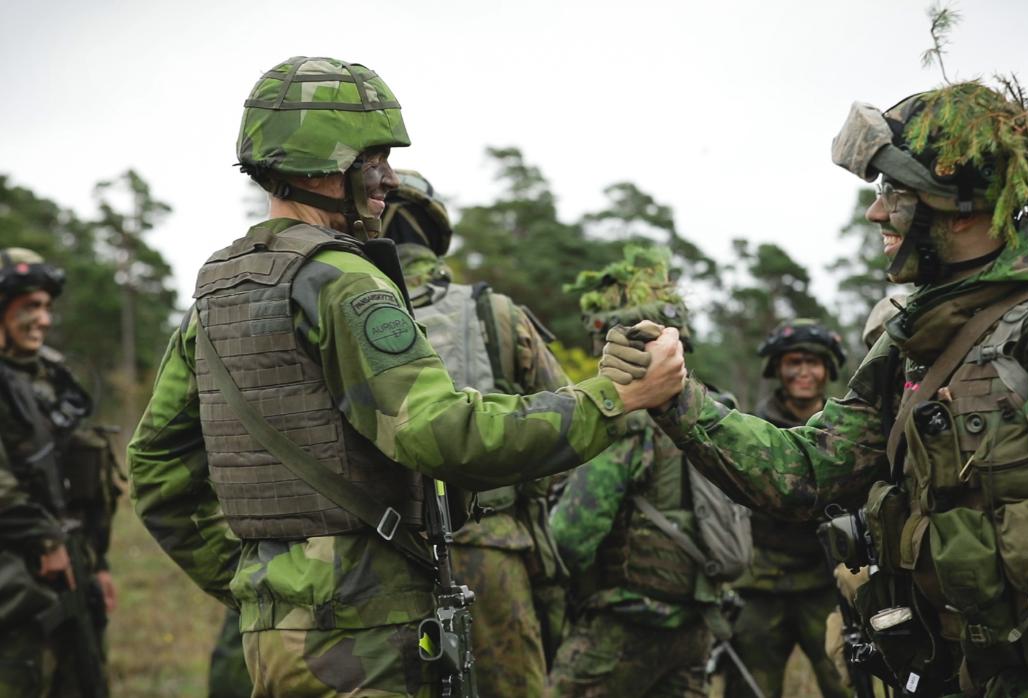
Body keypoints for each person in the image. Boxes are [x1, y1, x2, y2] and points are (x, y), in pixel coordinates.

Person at [607, 81, 1028, 696]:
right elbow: (806, 470)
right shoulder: (916, 342)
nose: (876, 211)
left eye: (895, 191)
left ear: (962, 206)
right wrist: (675, 394)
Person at [125, 56, 683, 698]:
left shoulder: (217, 290)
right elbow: (442, 435)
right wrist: (617, 397)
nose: (387, 178)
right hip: (367, 641)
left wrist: (265, 593)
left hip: (273, 642)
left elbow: (157, 472)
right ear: (322, 162)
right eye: (374, 157)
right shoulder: (344, 280)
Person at [381, 169, 571, 697]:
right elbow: (566, 428)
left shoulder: (336, 315)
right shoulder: (494, 313)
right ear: (435, 231)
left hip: (376, 554)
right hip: (491, 548)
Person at [547, 247, 716, 698]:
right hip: (697, 625)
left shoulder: (626, 420)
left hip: (622, 627)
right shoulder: (713, 410)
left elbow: (572, 535)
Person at [0, 248, 121, 697]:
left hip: (73, 563)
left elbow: (78, 479)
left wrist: (99, 563)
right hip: (15, 576)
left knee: (84, 679)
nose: (43, 320)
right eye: (29, 306)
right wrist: (45, 541)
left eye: (47, 308)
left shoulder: (51, 377)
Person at [725, 319, 850, 698]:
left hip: (827, 583)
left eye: (813, 363)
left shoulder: (847, 428)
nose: (803, 372)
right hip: (762, 583)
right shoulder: (751, 428)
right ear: (777, 368)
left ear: (828, 368)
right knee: (749, 689)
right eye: (793, 362)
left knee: (847, 683)